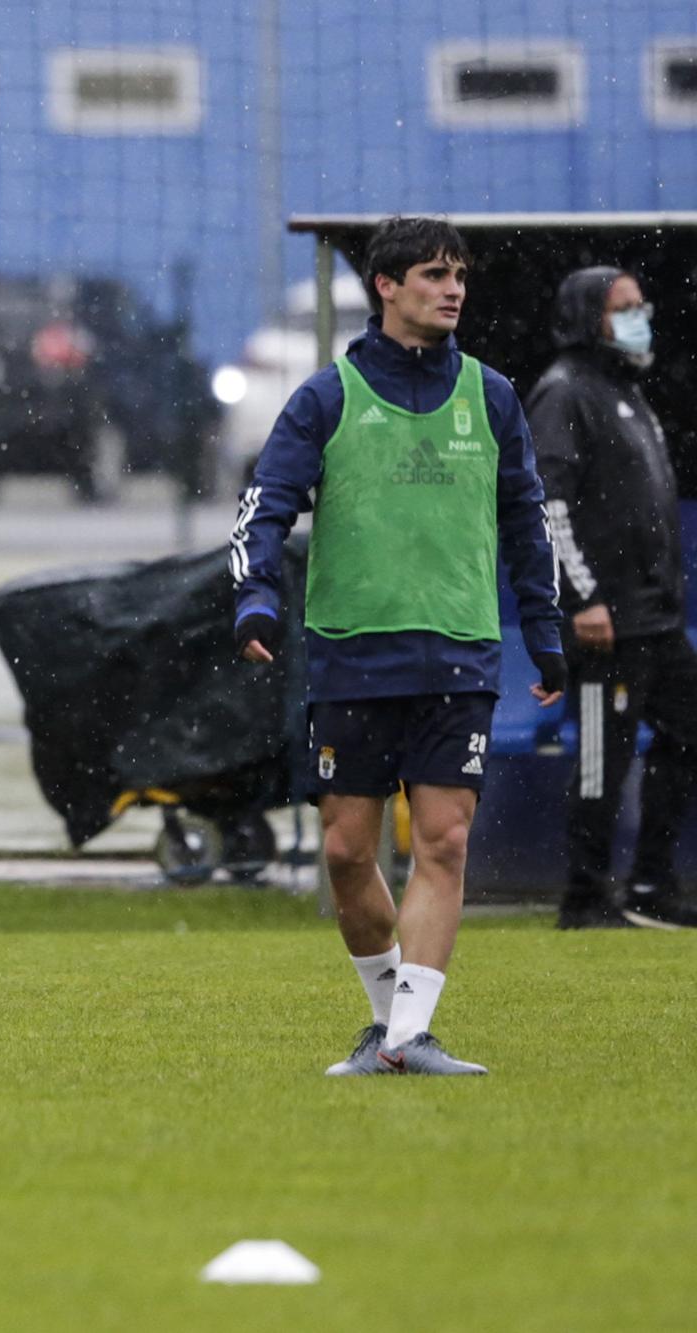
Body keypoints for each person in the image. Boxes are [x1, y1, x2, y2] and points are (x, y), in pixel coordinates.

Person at [230, 215, 565, 1075]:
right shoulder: (327, 396)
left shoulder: (490, 395)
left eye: (459, 276)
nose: (452, 289)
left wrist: (546, 628)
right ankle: (388, 1025)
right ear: (386, 286)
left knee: (445, 840)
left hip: (460, 651)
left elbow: (527, 519)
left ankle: (412, 1035)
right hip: (352, 650)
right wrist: (256, 600)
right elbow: (265, 503)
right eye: (432, 275)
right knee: (347, 852)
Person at [529, 267, 697, 930]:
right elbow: (550, 503)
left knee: (690, 733)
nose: (639, 316)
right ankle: (585, 897)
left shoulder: (626, 389)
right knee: (604, 759)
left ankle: (652, 884)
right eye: (622, 308)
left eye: (640, 305)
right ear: (586, 318)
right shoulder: (564, 392)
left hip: (655, 620)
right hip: (605, 623)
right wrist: (583, 597)